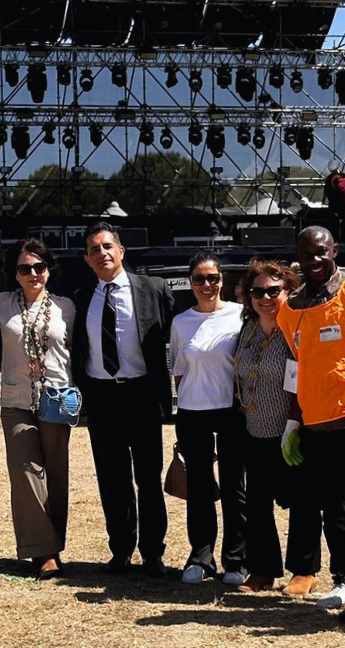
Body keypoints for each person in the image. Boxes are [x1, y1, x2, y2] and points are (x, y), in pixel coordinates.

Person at [71, 223, 175, 576]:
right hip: (102, 397)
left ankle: (153, 553)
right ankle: (121, 550)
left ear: (121, 251)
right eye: (94, 250)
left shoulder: (154, 289)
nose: (102, 253)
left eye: (107, 246)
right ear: (87, 260)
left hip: (142, 394)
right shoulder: (81, 298)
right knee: (112, 478)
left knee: (148, 478)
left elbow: (175, 334)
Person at [276, 225, 345, 609]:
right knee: (333, 508)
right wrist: (293, 421)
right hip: (316, 425)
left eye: (320, 252)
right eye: (305, 255)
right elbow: (295, 367)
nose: (313, 261)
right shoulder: (291, 308)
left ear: (335, 251)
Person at [0, 239, 76, 577]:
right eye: (25, 268)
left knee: (55, 473)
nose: (33, 273)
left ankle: (54, 543)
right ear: (15, 273)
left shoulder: (67, 307)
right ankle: (43, 553)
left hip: (56, 400)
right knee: (26, 473)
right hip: (16, 401)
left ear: (48, 270)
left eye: (39, 267)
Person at [231, 259, 312, 594]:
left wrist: (295, 424)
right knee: (258, 503)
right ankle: (262, 570)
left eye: (273, 290)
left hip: (291, 428)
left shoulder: (296, 326)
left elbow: (301, 378)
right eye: (257, 291)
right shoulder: (247, 329)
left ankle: (304, 571)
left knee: (303, 501)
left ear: (288, 291)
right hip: (254, 430)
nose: (265, 298)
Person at [170, 252, 248, 584]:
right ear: (191, 283)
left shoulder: (239, 315)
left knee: (234, 487)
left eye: (213, 278)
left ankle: (237, 560)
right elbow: (178, 370)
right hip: (193, 412)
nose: (207, 285)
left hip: (231, 410)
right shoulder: (181, 322)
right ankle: (201, 558)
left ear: (222, 280)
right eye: (199, 279)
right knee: (199, 488)